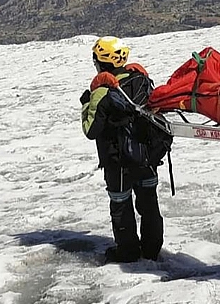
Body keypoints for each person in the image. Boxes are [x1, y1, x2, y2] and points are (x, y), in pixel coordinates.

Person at [81, 36, 164, 263]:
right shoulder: (141, 80)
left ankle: (127, 253)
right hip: (146, 157)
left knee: (121, 205)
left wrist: (86, 104)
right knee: (149, 203)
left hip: (118, 161)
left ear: (100, 61)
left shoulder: (101, 91)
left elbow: (91, 130)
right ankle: (152, 250)